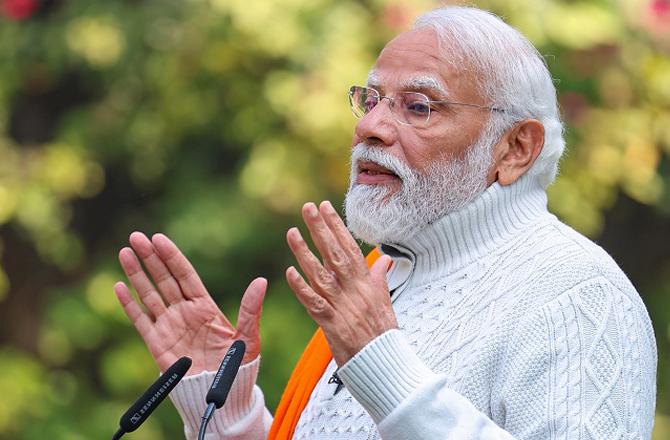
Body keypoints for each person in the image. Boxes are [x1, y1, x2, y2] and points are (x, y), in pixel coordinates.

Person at [114, 6, 657, 440]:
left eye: (418, 106)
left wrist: (384, 368)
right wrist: (225, 413)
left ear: (515, 148)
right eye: (370, 100)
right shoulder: (385, 276)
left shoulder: (577, 294)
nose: (370, 126)